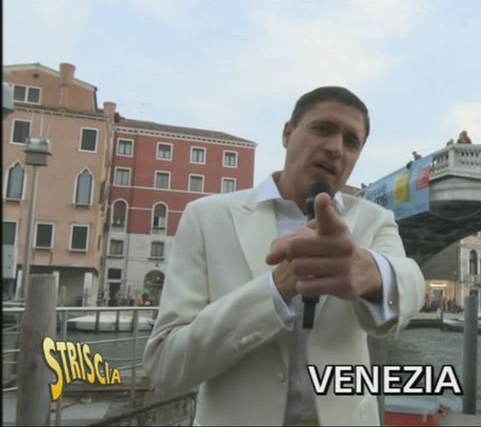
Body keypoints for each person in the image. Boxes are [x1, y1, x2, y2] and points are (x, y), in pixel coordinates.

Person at [143, 86, 426, 425]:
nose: (335, 148)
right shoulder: (206, 218)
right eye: (323, 128)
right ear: (288, 134)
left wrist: (372, 274)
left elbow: (411, 283)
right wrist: (275, 291)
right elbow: (165, 365)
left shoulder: (374, 220)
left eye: (351, 142)